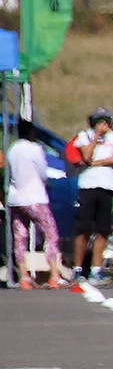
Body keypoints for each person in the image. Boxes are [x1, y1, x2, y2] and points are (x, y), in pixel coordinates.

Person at [6, 120, 67, 288]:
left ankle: (24, 276)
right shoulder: (35, 149)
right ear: (31, 133)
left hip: (15, 197)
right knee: (50, 234)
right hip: (34, 197)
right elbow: (43, 173)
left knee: (20, 236)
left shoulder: (12, 149)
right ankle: (54, 274)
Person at [71, 107, 113, 284]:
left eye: (105, 122)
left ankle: (96, 268)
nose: (103, 125)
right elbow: (86, 156)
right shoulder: (84, 136)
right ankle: (78, 268)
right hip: (88, 186)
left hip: (107, 186)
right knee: (83, 228)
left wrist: (95, 162)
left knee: (103, 229)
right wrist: (95, 137)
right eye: (99, 122)